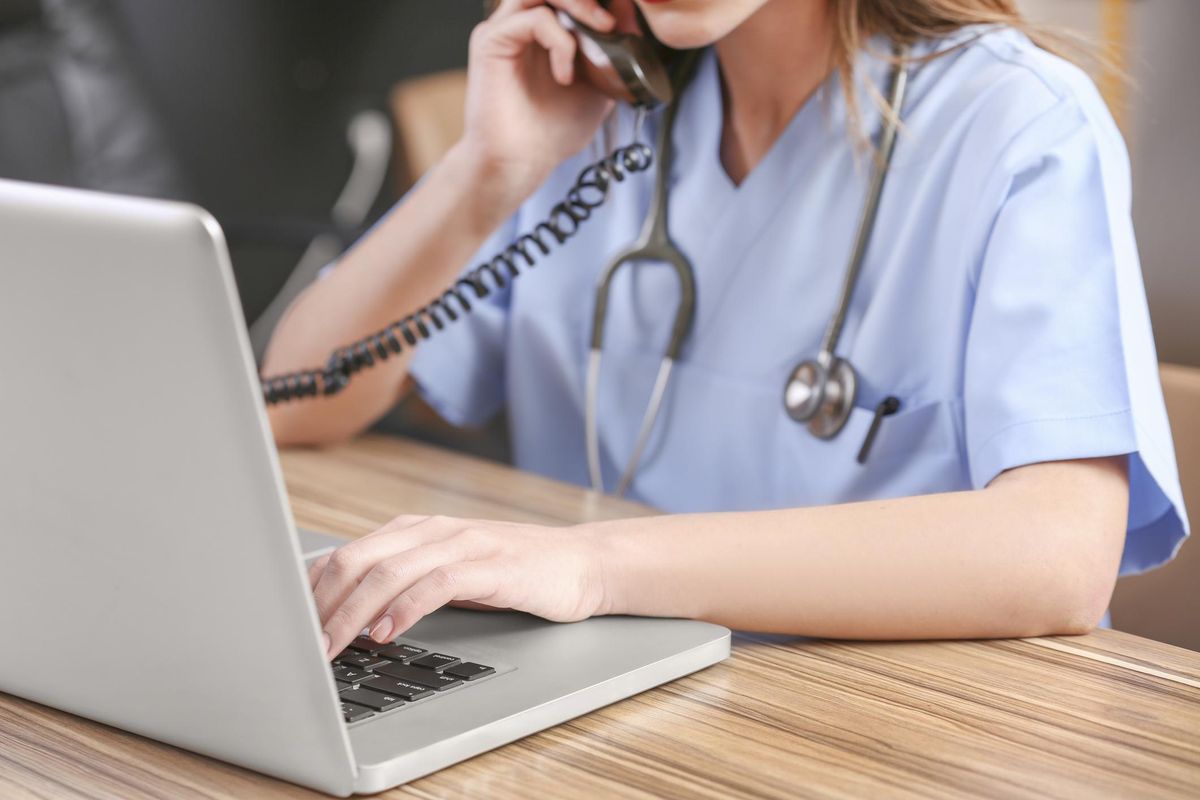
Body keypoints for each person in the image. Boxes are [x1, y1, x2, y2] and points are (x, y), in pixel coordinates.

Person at [262, 0, 1188, 658]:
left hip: (898, 721)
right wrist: (489, 170)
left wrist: (593, 567)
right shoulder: (593, 109)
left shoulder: (1019, 121)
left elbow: (1062, 558)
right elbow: (294, 403)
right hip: (600, 706)